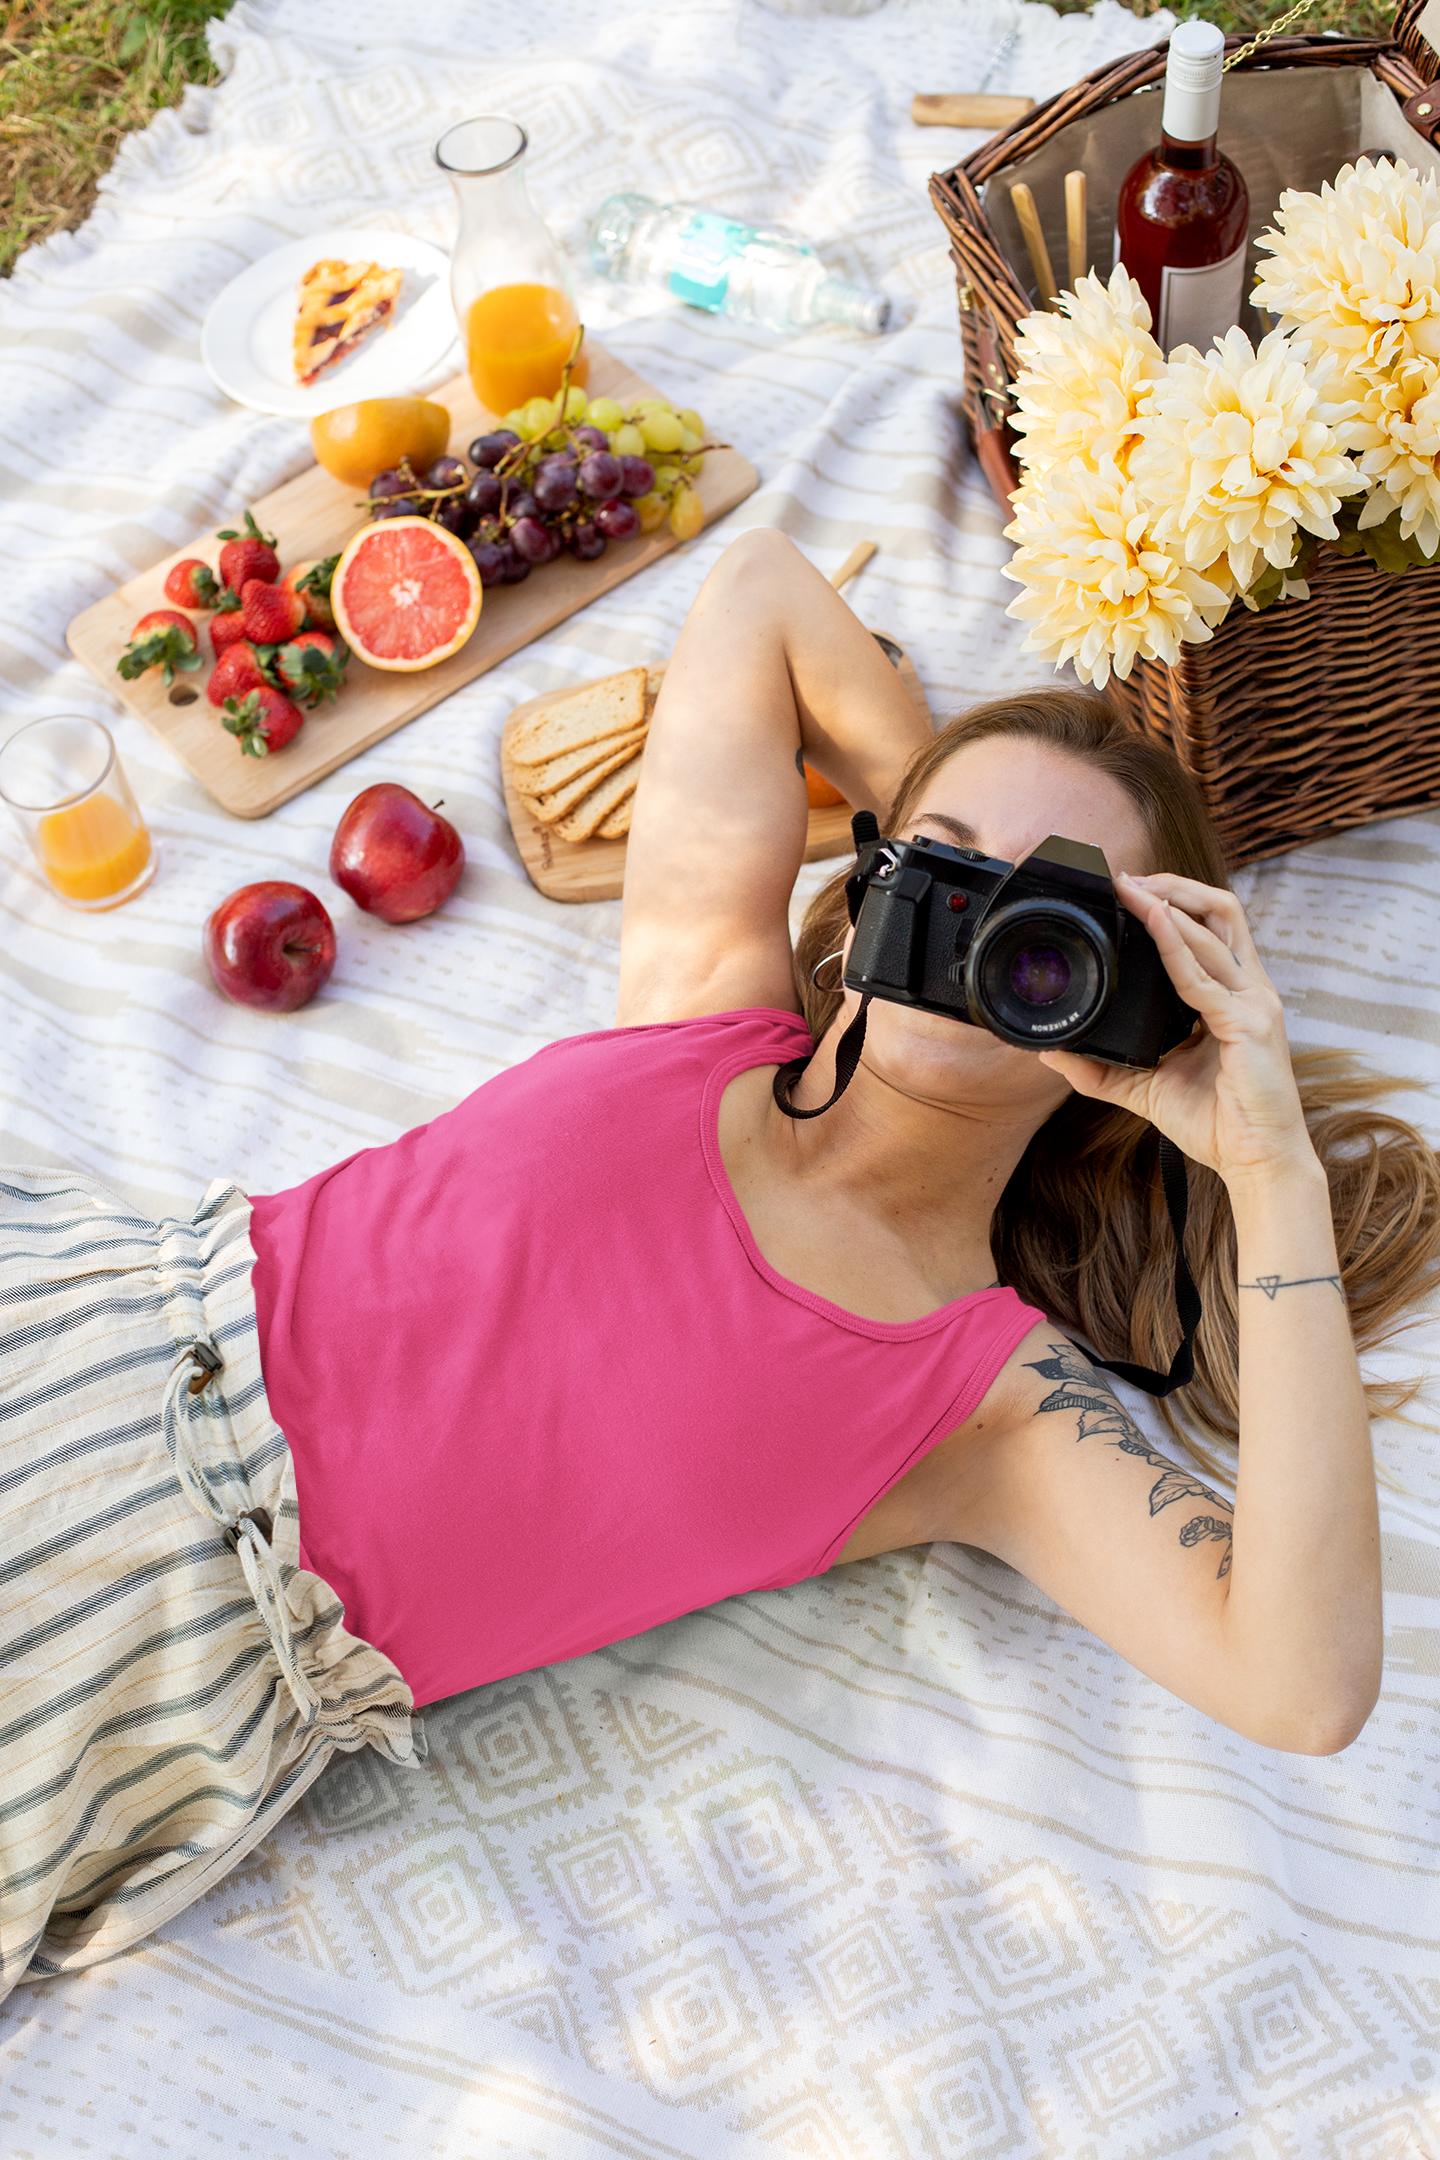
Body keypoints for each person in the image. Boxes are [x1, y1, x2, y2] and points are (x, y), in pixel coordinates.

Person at [3, 530, 1437, 2001]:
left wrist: (1260, 1156)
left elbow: (1304, 1682)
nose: (984, 920)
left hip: (149, 1638)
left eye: (1049, 921)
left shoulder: (988, 1401)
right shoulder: (705, 1002)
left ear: (1138, 1009)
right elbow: (759, 593)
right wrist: (970, 854)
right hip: (85, 1318)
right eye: (943, 870)